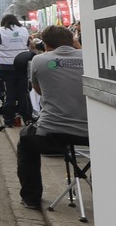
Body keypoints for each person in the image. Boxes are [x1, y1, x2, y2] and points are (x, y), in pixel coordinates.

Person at [17, 26, 88, 210]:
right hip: (90, 135)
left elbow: (39, 91)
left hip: (51, 135)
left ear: (46, 44)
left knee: (25, 141)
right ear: (73, 41)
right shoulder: (91, 58)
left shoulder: (39, 60)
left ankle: (31, 198)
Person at [0, 14, 31, 128]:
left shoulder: (0, 31)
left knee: (10, 94)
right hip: (22, 66)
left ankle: (9, 120)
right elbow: (27, 44)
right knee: (23, 93)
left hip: (6, 67)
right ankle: (27, 119)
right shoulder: (24, 30)